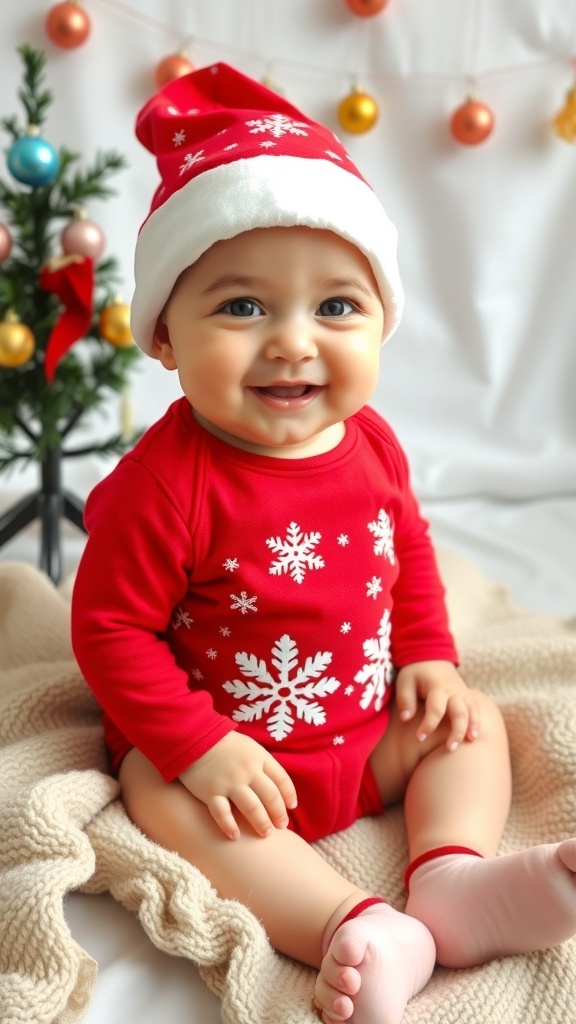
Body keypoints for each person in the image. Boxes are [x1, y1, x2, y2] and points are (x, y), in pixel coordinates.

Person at [71, 63, 576, 1024]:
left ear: (383, 320)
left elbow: (408, 549)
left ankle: (453, 880)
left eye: (335, 306)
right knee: (149, 790)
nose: (293, 342)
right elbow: (109, 632)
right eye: (241, 306)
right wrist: (197, 744)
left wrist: (429, 655)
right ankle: (352, 922)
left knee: (475, 727)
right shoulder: (164, 487)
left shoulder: (374, 444)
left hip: (364, 729)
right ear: (165, 337)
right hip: (236, 767)